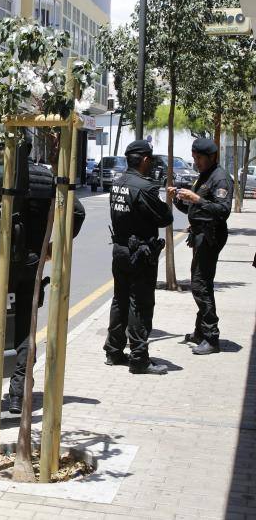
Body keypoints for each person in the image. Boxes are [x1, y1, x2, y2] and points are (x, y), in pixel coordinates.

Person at [0, 140, 85, 414]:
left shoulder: (2, 174)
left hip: (1, 264)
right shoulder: (47, 176)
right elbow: (77, 211)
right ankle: (19, 395)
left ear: (6, 149)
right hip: (32, 263)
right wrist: (53, 246)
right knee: (25, 327)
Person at [104, 140, 173, 374]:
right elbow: (165, 218)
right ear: (144, 160)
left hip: (120, 249)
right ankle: (139, 358)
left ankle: (113, 351)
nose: (151, 163)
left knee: (119, 300)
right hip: (140, 254)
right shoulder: (145, 188)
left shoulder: (118, 183)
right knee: (140, 304)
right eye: (150, 160)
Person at [167, 138, 233, 355]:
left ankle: (212, 337)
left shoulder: (220, 178)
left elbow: (222, 211)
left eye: (199, 158)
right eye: (194, 158)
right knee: (200, 281)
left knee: (200, 285)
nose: (196, 162)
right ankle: (200, 332)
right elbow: (194, 210)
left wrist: (196, 199)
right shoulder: (205, 176)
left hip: (211, 236)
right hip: (200, 236)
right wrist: (179, 198)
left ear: (212, 157)